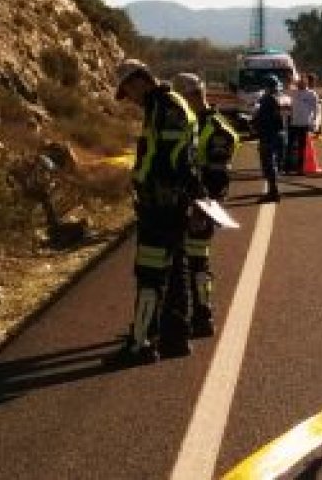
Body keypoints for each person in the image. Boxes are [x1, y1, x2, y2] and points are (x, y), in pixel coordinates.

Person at [111, 59, 206, 364]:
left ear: (139, 80)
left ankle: (140, 345)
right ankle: (175, 338)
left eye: (128, 90)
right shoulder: (167, 105)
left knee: (150, 274)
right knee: (176, 269)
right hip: (169, 203)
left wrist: (185, 194)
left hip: (161, 207)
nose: (131, 100)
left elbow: (171, 162)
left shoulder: (164, 108)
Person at [172, 73, 240, 338]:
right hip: (185, 203)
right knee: (185, 261)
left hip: (202, 205)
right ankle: (185, 314)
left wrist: (202, 208)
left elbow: (217, 175)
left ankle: (203, 314)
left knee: (198, 261)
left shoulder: (217, 129)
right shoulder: (188, 123)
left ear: (192, 96)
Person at [251, 75, 286, 202]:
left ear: (267, 86)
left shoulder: (266, 99)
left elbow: (260, 117)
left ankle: (273, 192)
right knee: (276, 163)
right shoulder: (282, 97)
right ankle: (274, 191)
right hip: (280, 134)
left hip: (268, 134)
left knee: (268, 164)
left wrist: (253, 123)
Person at [285, 74, 321, 174]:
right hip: (294, 123)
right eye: (300, 82)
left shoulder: (312, 94)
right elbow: (286, 90)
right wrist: (290, 81)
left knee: (302, 147)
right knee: (289, 146)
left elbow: (316, 110)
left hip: (304, 124)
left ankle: (300, 169)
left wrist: (315, 124)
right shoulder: (294, 92)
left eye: (303, 82)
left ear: (306, 83)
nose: (301, 83)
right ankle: (287, 168)